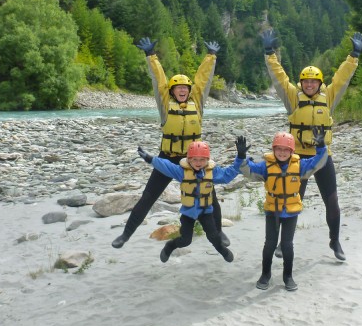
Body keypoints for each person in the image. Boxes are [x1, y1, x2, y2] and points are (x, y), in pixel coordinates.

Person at [112, 37, 230, 248]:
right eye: (178, 88)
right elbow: (159, 81)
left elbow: (203, 80)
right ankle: (126, 234)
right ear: (172, 91)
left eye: (185, 87)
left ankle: (219, 233)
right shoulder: (165, 105)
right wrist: (151, 56)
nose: (182, 90)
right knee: (148, 197)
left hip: (195, 161)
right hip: (168, 158)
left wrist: (211, 57)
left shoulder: (197, 103)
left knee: (210, 197)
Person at [261, 29, 362, 261]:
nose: (309, 85)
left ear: (319, 83)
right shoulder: (292, 97)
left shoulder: (328, 96)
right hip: (297, 159)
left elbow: (342, 78)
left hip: (321, 158)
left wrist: (353, 56)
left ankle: (335, 241)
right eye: (306, 82)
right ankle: (281, 244)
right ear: (301, 83)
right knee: (290, 202)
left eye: (313, 82)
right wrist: (269, 53)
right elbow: (279, 78)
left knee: (333, 202)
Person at [240, 128, 327, 291]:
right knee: (270, 244)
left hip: (291, 211)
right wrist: (240, 157)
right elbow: (247, 170)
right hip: (273, 210)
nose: (281, 152)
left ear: (291, 151)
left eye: (285, 150)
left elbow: (319, 161)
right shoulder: (266, 166)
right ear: (273, 150)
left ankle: (288, 275)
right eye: (278, 149)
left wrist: (321, 145)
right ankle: (265, 274)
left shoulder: (300, 166)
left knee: (287, 244)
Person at [136, 138, 248, 263]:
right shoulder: (182, 172)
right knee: (185, 240)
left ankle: (223, 251)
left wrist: (240, 157)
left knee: (214, 236)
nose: (198, 163)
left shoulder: (213, 172)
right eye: (194, 159)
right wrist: (150, 159)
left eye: (202, 159)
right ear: (189, 159)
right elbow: (166, 166)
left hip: (206, 211)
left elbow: (228, 174)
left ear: (207, 160)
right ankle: (169, 246)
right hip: (188, 212)